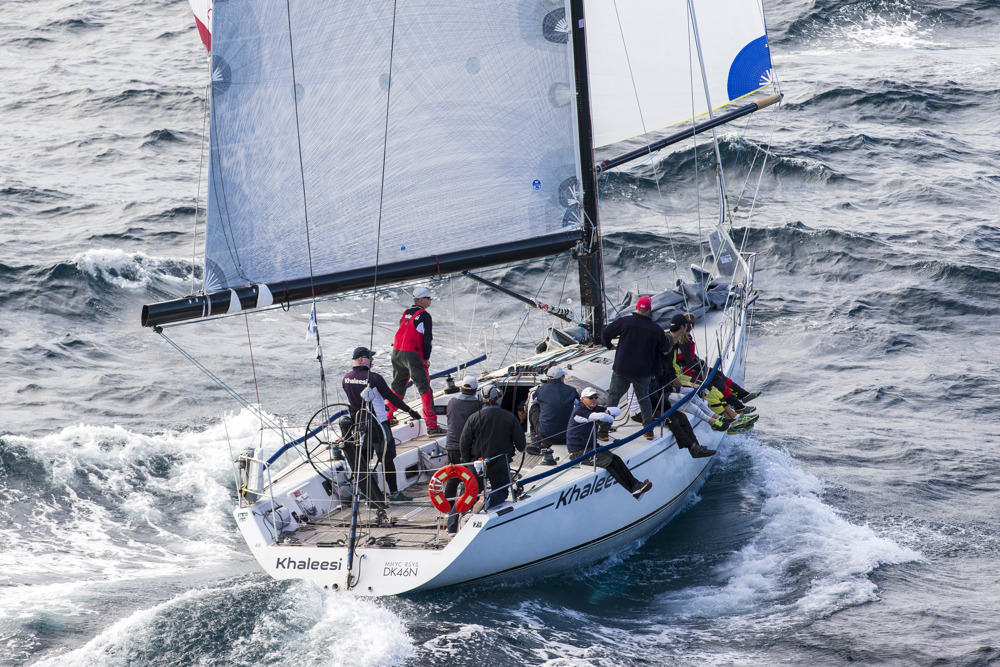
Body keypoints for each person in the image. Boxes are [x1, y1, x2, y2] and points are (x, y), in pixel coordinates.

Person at [342, 346, 422, 502]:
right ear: (360, 359)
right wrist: (410, 410)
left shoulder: (346, 378)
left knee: (363, 461)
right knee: (387, 459)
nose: (372, 360)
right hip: (378, 426)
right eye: (369, 357)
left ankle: (369, 495)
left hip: (359, 427)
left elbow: (357, 400)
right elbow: (392, 397)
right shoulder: (374, 378)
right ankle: (394, 494)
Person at [599, 295, 671, 441]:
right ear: (650, 310)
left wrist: (609, 346)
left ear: (637, 308)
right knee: (643, 399)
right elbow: (665, 349)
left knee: (613, 399)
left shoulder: (625, 322)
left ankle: (604, 432)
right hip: (642, 372)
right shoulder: (656, 329)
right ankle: (648, 431)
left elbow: (605, 333)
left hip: (622, 369)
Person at [566, 387, 652, 500]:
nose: (594, 399)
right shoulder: (580, 411)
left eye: (596, 397)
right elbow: (596, 416)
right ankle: (633, 489)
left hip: (591, 447)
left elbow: (617, 411)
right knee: (610, 462)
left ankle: (636, 485)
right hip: (579, 452)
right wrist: (607, 415)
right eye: (590, 397)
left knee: (616, 459)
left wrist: (607, 411)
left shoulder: (593, 408)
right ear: (582, 399)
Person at [674, 313, 761, 413]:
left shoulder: (687, 338)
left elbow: (690, 356)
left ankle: (742, 395)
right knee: (717, 380)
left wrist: (700, 362)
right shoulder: (684, 341)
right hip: (688, 371)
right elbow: (689, 362)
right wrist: (701, 367)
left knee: (718, 374)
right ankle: (738, 405)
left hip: (692, 368)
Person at [458, 385, 526, 510]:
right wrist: (522, 448)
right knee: (501, 492)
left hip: (477, 463)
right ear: (498, 398)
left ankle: (453, 522)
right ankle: (488, 500)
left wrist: (469, 463)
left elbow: (463, 443)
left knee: (468, 493)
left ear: (482, 398)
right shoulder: (509, 416)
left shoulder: (473, 418)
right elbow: (521, 443)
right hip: (500, 463)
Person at [387, 286, 444, 435]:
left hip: (397, 352)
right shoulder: (425, 316)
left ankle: (387, 417)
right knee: (424, 388)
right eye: (428, 298)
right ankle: (431, 426)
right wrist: (426, 358)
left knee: (398, 386)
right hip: (412, 355)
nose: (430, 300)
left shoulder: (406, 313)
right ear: (421, 300)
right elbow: (427, 340)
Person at [442, 376, 482, 534]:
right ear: (475, 390)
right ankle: (460, 512)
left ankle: (447, 508)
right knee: (468, 481)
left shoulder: (451, 402)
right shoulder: (478, 405)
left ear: (461, 388)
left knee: (452, 478)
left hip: (451, 446)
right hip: (468, 449)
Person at [532, 365, 579, 448]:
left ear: (548, 378)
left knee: (534, 407)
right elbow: (579, 406)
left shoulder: (540, 390)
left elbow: (534, 400)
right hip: (567, 436)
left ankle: (535, 436)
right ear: (562, 378)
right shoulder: (572, 391)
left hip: (546, 436)